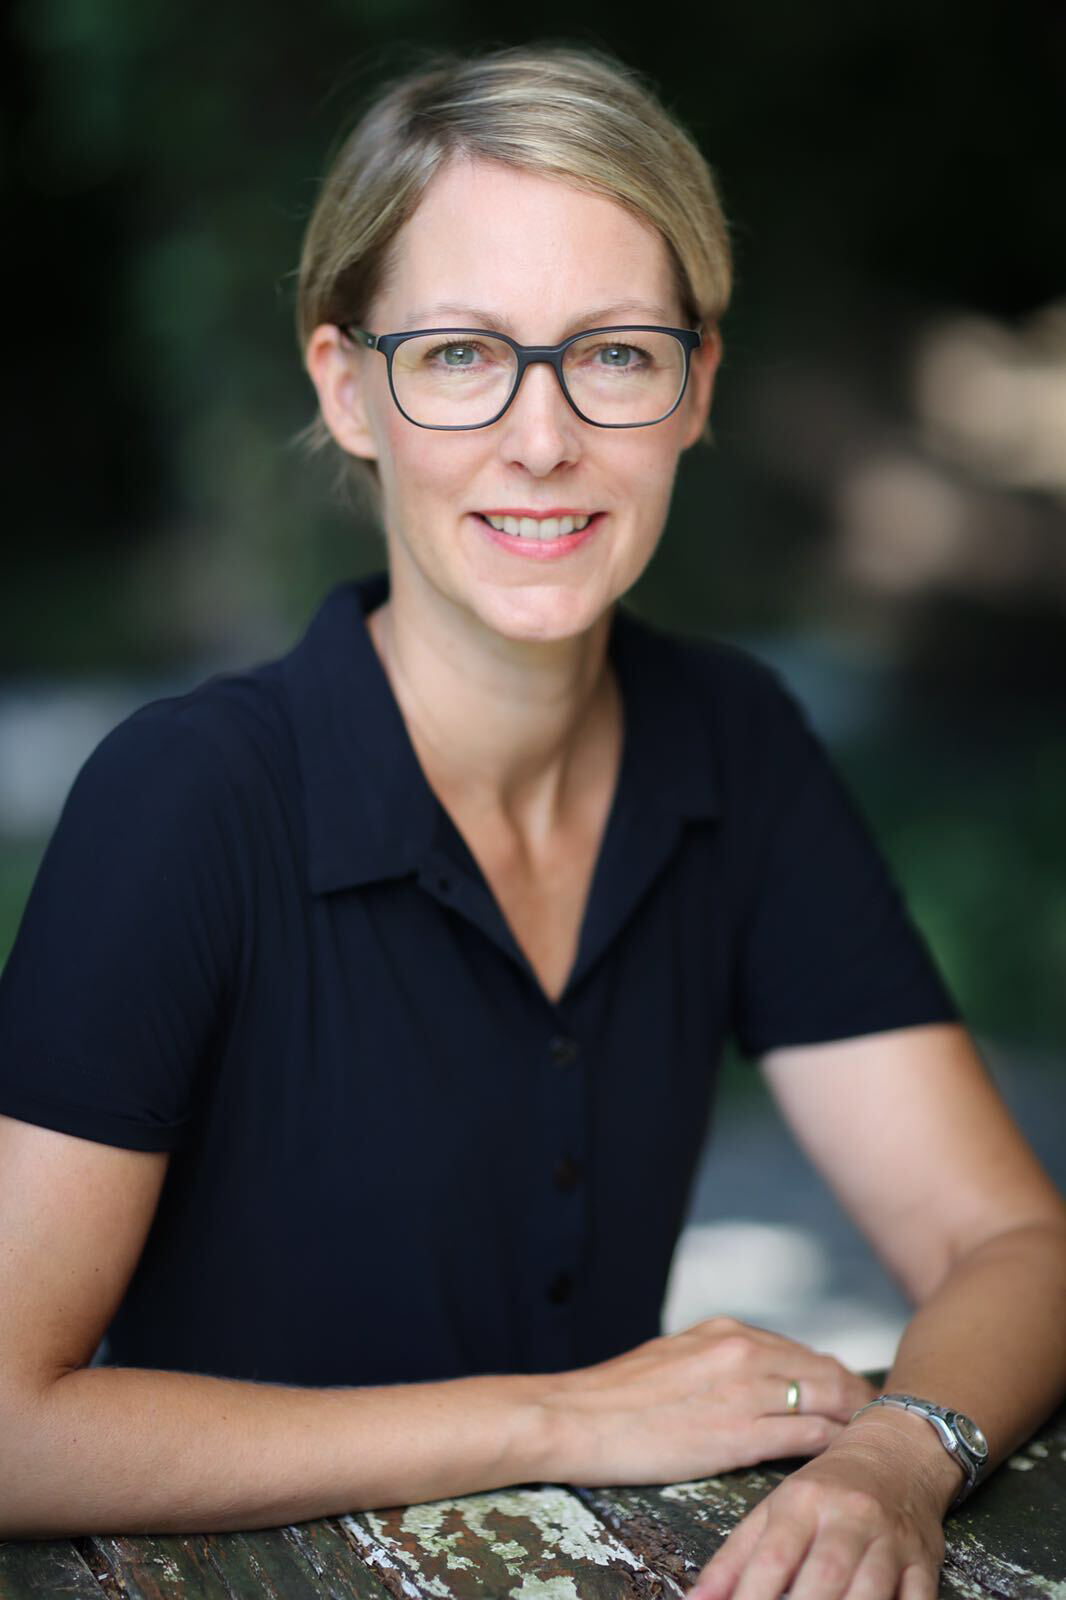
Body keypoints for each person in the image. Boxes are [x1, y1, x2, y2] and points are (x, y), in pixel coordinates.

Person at [0, 42, 1063, 1600]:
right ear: (345, 389)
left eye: (613, 353)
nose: (542, 435)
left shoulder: (734, 746)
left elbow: (1011, 1245)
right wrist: (559, 1419)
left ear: (696, 389)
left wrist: (894, 1457)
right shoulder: (190, 799)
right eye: (458, 354)